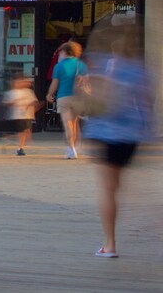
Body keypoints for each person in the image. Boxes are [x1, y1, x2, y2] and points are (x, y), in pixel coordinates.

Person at [82, 19, 155, 258]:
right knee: (125, 187)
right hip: (131, 136)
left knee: (108, 190)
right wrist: (147, 131)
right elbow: (147, 103)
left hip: (105, 133)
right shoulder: (140, 69)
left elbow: (96, 99)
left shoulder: (104, 65)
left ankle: (110, 244)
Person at [47, 41, 88, 159]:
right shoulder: (81, 65)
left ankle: (71, 149)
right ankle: (76, 146)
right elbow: (87, 82)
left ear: (65, 52)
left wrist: (49, 94)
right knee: (75, 123)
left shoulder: (59, 66)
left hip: (64, 96)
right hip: (78, 97)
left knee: (68, 124)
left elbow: (55, 83)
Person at [2, 75, 39, 156]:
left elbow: (34, 102)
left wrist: (30, 106)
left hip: (26, 115)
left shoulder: (28, 92)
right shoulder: (12, 93)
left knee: (24, 132)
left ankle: (20, 147)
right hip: (16, 115)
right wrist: (12, 103)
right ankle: (12, 142)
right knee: (20, 132)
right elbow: (5, 103)